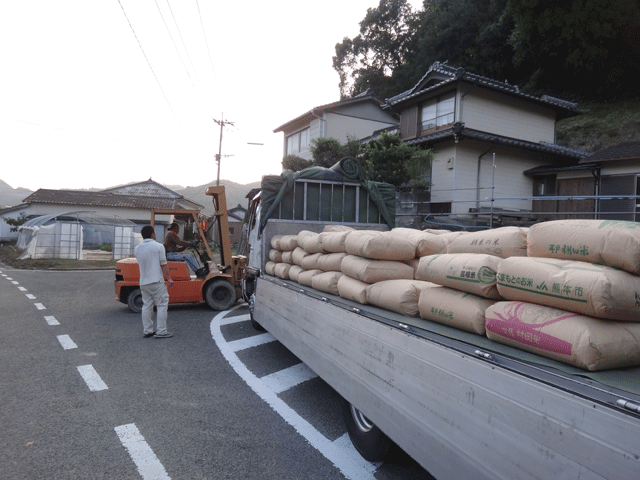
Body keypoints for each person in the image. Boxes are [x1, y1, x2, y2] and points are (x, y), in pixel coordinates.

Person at [134, 225, 173, 339]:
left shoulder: (137, 249)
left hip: (143, 282)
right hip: (157, 281)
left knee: (146, 306)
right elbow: (163, 264)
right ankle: (161, 331)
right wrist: (169, 278)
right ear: (152, 234)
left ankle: (147, 331)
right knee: (161, 305)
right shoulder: (159, 246)